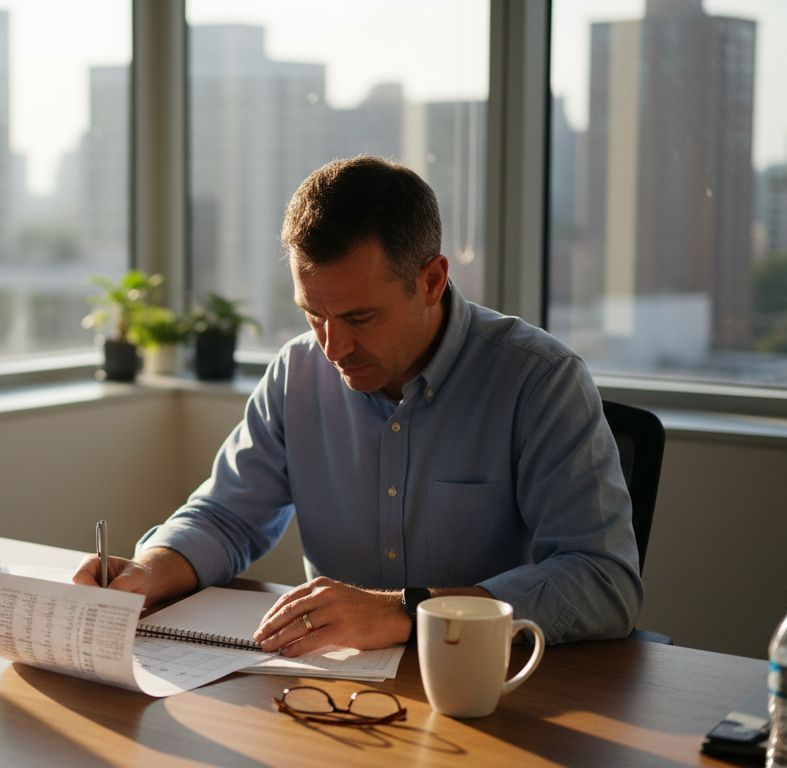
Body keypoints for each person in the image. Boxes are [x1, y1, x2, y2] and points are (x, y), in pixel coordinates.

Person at [73, 156, 642, 655]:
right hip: (337, 696)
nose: (332, 347)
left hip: (494, 691)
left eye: (358, 318)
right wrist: (150, 572)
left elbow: (603, 582)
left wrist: (406, 611)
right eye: (312, 314)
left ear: (432, 280)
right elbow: (226, 516)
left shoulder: (539, 380)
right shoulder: (298, 373)